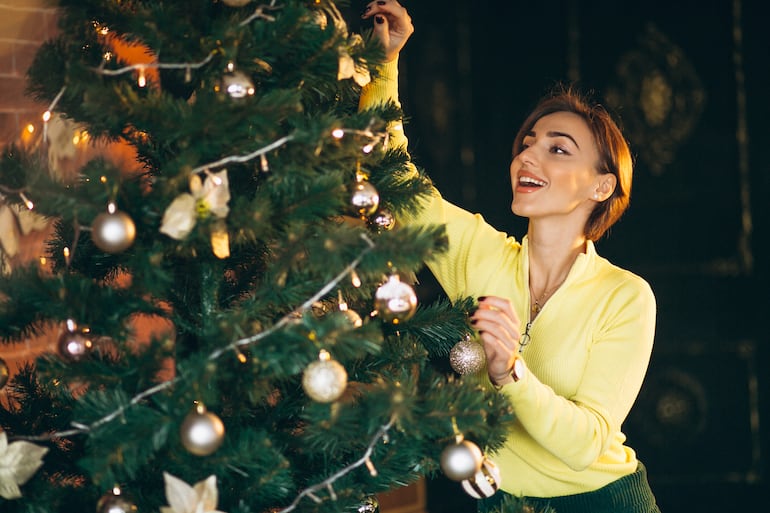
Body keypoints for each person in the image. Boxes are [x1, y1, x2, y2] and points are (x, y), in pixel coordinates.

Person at [360, 2, 661, 513]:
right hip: (499, 501)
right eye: (528, 142)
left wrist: (509, 372)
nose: (527, 156)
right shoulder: (479, 253)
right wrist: (384, 63)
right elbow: (395, 179)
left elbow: (586, 444)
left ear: (602, 185)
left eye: (558, 149)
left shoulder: (625, 296)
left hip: (604, 502)